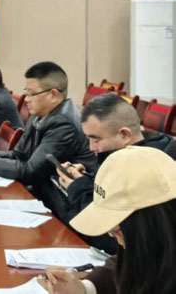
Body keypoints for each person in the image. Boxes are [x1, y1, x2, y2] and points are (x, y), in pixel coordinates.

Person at [0, 61, 96, 219]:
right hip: (43, 197)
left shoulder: (63, 124)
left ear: (53, 95)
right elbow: (19, 155)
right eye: (26, 92)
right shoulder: (38, 115)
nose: (26, 99)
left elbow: (31, 171)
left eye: (32, 94)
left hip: (64, 209)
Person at [39, 146, 176, 294]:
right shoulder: (155, 244)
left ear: (157, 221)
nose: (119, 241)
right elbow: (130, 261)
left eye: (118, 230)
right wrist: (85, 288)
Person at [55, 93, 176, 252]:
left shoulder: (149, 175)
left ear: (124, 135)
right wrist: (86, 178)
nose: (91, 147)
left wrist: (77, 187)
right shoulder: (123, 154)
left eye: (96, 139)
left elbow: (109, 233)